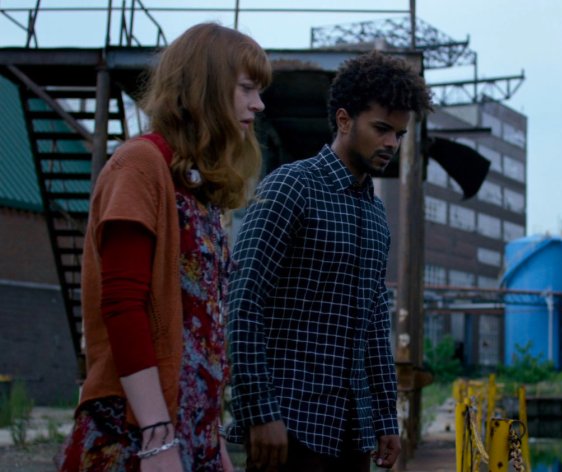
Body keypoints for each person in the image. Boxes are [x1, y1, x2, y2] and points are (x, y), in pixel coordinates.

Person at [57, 22, 271, 471]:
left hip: (190, 432)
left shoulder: (199, 189)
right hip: (132, 432)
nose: (259, 104)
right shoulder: (139, 165)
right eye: (247, 88)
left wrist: (213, 442)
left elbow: (200, 332)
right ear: (206, 88)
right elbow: (122, 304)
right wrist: (156, 438)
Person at [225, 50, 433, 471]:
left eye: (399, 134)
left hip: (352, 432)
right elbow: (243, 304)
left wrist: (385, 417)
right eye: (381, 129)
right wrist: (259, 412)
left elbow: (374, 323)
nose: (391, 144)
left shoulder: (375, 214)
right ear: (344, 120)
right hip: (290, 424)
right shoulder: (290, 187)